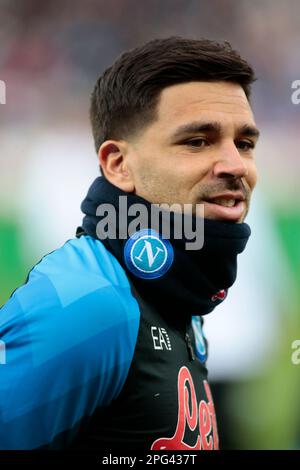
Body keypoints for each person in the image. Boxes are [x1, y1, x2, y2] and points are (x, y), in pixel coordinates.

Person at [0, 36, 259, 450]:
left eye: (244, 144)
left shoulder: (175, 294)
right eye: (197, 141)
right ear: (119, 165)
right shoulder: (87, 304)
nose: (236, 166)